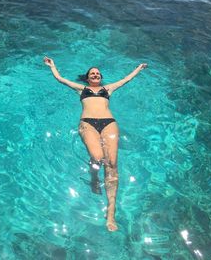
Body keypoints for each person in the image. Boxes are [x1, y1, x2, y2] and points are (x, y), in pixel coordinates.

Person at [44, 56, 147, 232]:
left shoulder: (108, 89)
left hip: (109, 123)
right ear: (87, 77)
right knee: (97, 157)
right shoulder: (81, 89)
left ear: (100, 77)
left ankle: (111, 212)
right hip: (88, 123)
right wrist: (52, 66)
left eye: (98, 73)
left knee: (113, 164)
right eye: (92, 73)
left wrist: (138, 68)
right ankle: (94, 179)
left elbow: (126, 79)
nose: (95, 75)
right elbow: (60, 79)